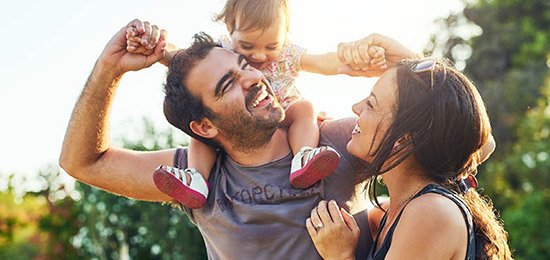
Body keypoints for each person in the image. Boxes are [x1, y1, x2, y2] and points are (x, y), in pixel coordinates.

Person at [59, 20, 407, 259]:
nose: (254, 78)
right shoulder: (196, 177)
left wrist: (408, 62)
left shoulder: (333, 143)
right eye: (228, 84)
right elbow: (83, 162)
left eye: (245, 65)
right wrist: (109, 67)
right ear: (205, 127)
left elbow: (446, 134)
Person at [125, 0, 387, 209]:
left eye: (271, 45)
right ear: (230, 29)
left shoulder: (287, 54)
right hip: (240, 121)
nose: (259, 56)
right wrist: (154, 46)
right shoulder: (223, 51)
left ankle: (304, 156)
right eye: (247, 46)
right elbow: (186, 61)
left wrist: (348, 63)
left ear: (285, 34)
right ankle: (196, 178)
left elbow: (321, 61)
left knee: (304, 109)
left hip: (282, 111)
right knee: (203, 133)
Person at [305, 36, 511, 259]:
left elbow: (477, 140)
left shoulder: (431, 213)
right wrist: (412, 67)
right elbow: (473, 140)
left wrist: (342, 255)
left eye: (371, 104)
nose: (356, 107)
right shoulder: (393, 212)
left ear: (403, 139)